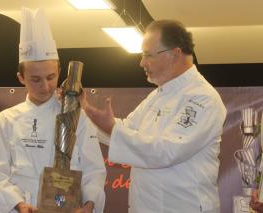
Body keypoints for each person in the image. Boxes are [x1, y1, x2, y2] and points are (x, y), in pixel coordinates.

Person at [79, 20, 227, 213]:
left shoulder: (202, 98)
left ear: (174, 54)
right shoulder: (158, 95)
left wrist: (111, 128)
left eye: (148, 55)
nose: (141, 63)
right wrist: (81, 114)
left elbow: (166, 151)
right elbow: (127, 129)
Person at [0, 8, 106, 213]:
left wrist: (89, 204)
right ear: (21, 78)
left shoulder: (76, 116)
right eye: (35, 79)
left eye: (51, 77)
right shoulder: (5, 121)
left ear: (59, 71)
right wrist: (18, 204)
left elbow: (94, 169)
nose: (45, 86)